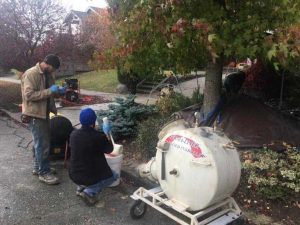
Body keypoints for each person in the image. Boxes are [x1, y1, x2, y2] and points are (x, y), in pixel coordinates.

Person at [21, 54, 66, 185]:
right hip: (35, 114)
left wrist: (60, 91)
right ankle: (44, 173)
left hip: (44, 112)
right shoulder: (31, 74)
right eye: (53, 68)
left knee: (39, 143)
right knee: (43, 144)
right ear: (48, 64)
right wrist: (49, 91)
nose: (54, 72)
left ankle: (38, 167)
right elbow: (29, 95)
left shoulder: (47, 74)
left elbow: (51, 91)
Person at [69, 108, 118, 206]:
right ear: (93, 121)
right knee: (114, 176)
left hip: (73, 173)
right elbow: (109, 149)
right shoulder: (98, 137)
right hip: (88, 176)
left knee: (86, 168)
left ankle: (80, 187)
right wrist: (107, 134)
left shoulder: (73, 134)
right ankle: (88, 192)